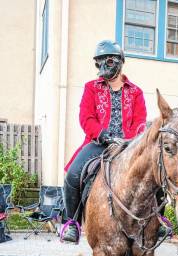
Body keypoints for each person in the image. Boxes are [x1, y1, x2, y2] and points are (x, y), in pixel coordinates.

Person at [62, 40, 147, 242]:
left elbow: (140, 121)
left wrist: (129, 141)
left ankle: (157, 219)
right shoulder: (91, 87)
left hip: (129, 146)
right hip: (98, 142)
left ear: (120, 62)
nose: (103, 67)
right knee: (72, 175)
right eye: (98, 62)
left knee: (153, 170)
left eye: (108, 61)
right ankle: (72, 223)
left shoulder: (136, 92)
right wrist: (102, 135)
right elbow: (86, 117)